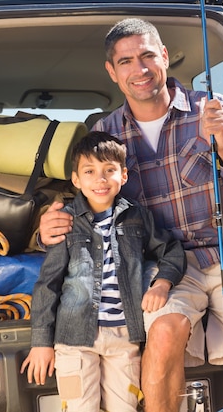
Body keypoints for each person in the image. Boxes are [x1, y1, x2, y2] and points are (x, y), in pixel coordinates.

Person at [38, 18, 223, 412]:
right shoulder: (106, 132)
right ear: (112, 72)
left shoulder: (213, 110)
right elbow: (88, 203)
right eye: (126, 61)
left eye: (148, 55)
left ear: (164, 56)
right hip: (164, 267)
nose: (140, 69)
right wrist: (47, 227)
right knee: (163, 336)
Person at [21, 131, 186, 411]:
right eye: (90, 171)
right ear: (76, 180)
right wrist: (41, 342)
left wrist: (162, 284)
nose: (100, 179)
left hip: (124, 339)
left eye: (109, 170)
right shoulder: (67, 221)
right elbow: (48, 283)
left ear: (123, 176)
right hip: (75, 340)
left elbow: (171, 251)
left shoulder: (138, 217)